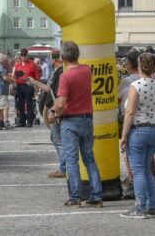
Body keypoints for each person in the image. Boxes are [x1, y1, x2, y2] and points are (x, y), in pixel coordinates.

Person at [52, 41, 103, 208]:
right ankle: (96, 196)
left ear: (63, 57)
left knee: (72, 161)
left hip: (70, 120)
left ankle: (75, 197)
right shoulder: (87, 70)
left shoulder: (65, 76)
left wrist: (55, 114)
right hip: (87, 118)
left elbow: (61, 103)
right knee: (89, 158)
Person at [119, 53, 155, 218]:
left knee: (138, 170)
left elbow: (130, 112)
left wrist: (124, 135)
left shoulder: (135, 85)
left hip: (138, 129)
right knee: (147, 170)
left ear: (139, 66)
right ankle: (152, 206)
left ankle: (140, 207)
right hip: (152, 129)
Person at [29, 50, 66, 178]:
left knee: (58, 140)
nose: (48, 61)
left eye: (50, 59)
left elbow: (58, 94)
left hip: (56, 110)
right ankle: (64, 167)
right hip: (54, 109)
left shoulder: (60, 73)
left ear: (55, 60)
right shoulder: (58, 73)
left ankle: (64, 168)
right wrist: (35, 82)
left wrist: (54, 112)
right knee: (56, 139)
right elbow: (50, 89)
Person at [118, 50, 141, 193]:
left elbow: (118, 97)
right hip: (147, 120)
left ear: (129, 64)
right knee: (148, 155)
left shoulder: (127, 81)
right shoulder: (151, 80)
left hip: (130, 118)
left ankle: (132, 178)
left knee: (128, 151)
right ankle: (149, 176)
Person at [13, 49, 39, 127]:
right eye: (22, 55)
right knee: (20, 104)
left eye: (25, 55)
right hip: (19, 86)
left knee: (29, 104)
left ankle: (30, 121)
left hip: (28, 86)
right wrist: (14, 85)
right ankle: (22, 121)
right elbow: (14, 77)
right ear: (20, 56)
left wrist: (36, 87)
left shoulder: (32, 64)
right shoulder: (17, 65)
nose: (23, 56)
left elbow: (36, 77)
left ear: (27, 55)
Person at [0, 53, 15, 130]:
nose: (7, 62)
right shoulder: (0, 67)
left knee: (0, 108)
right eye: (6, 60)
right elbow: (5, 78)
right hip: (1, 89)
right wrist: (13, 80)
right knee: (5, 107)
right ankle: (6, 122)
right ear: (3, 61)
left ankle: (1, 122)